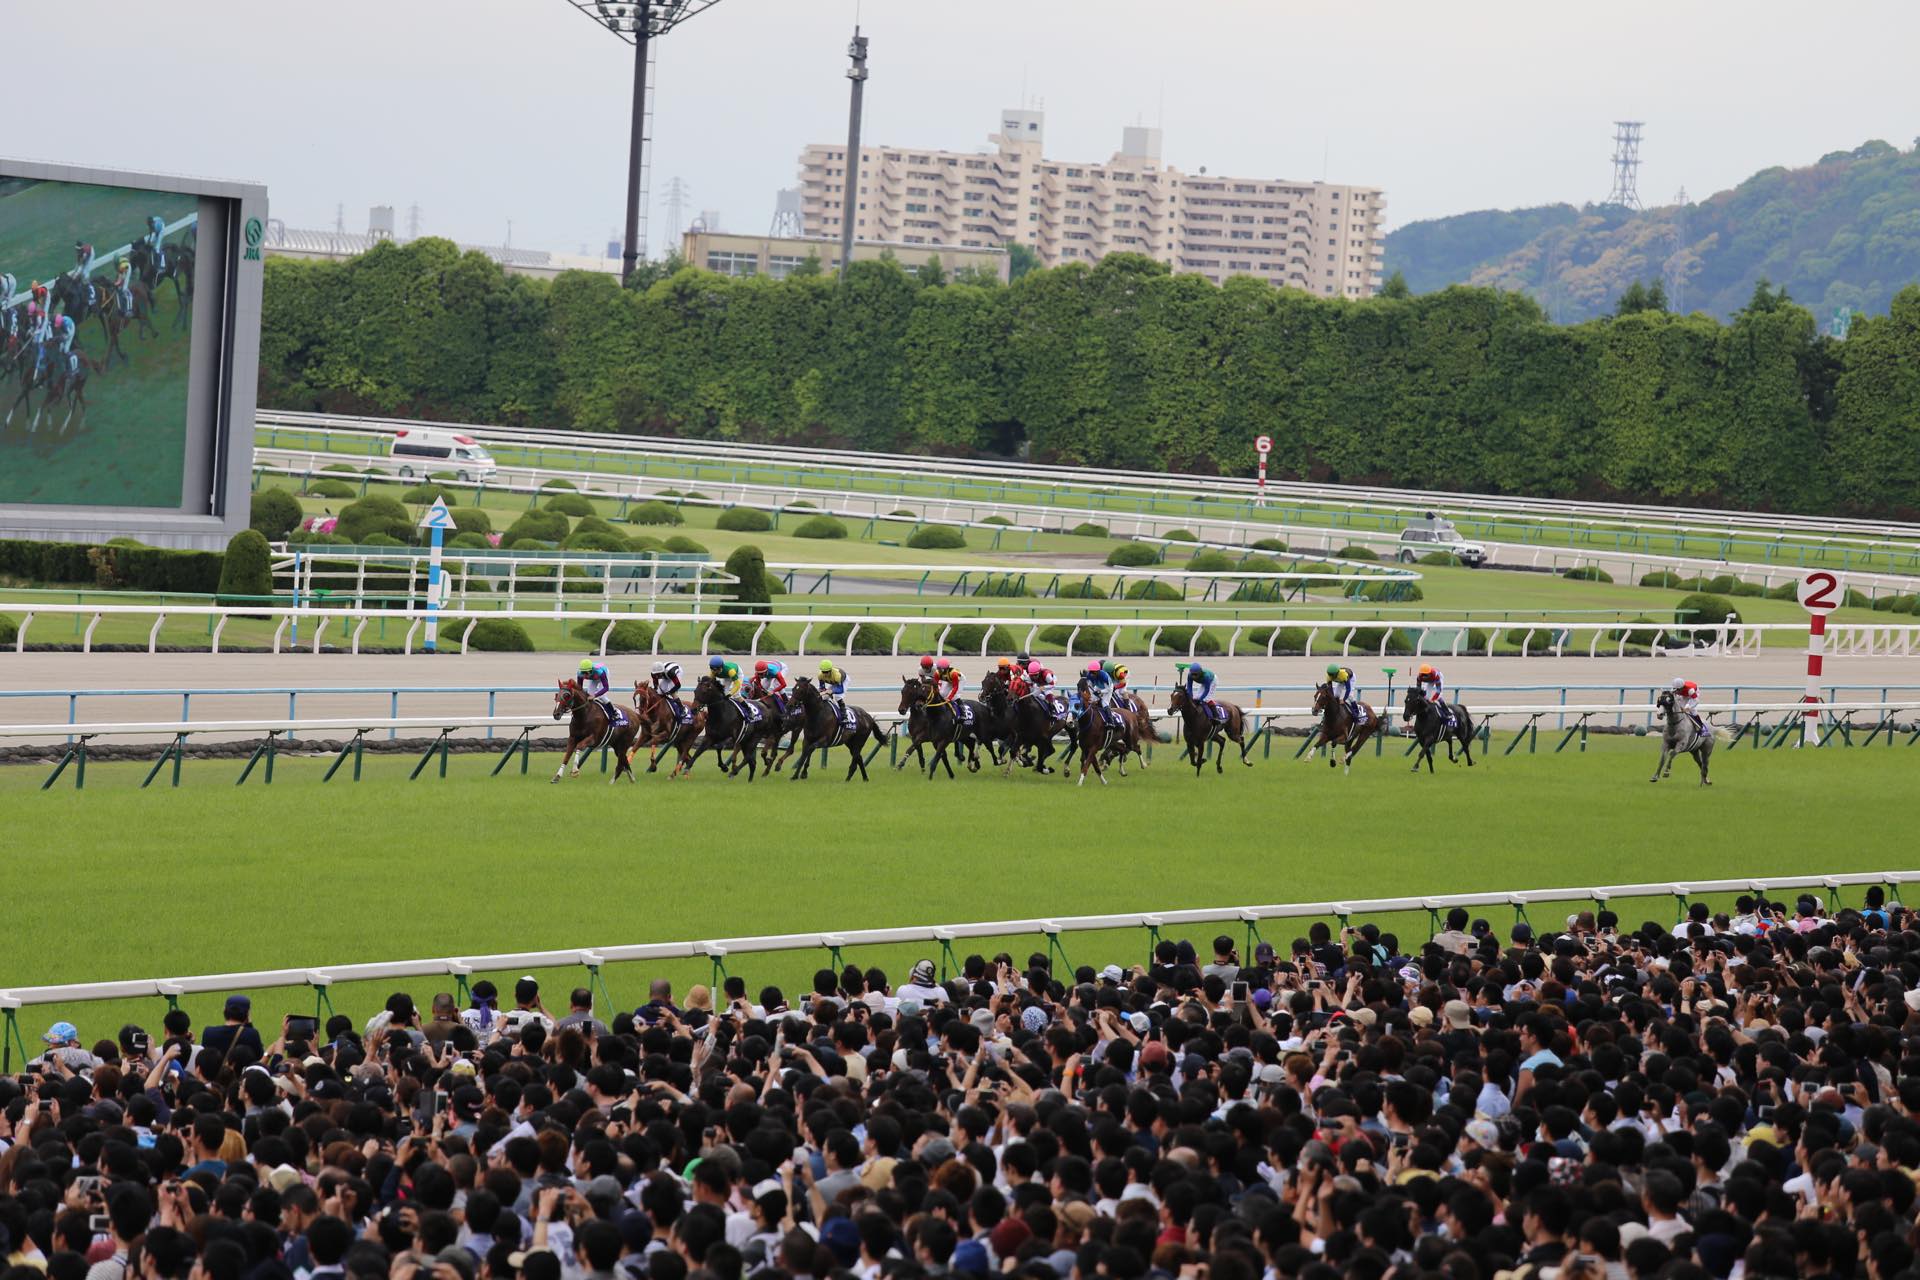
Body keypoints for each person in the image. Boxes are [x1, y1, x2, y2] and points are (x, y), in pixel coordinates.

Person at [199, 995, 264, 1059]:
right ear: (247, 1014)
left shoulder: (209, 1032)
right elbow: (259, 1055)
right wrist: (249, 1024)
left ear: (224, 1010)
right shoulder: (251, 1034)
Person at [576, 656, 618, 724]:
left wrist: (595, 695)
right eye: (583, 673)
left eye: (586, 673)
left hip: (602, 674)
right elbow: (579, 688)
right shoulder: (580, 674)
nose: (584, 676)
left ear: (591, 670)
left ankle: (614, 712)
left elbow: (606, 688)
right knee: (589, 694)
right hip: (594, 677)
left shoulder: (599, 672)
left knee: (602, 696)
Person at [1416, 663, 1456, 728]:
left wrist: (1433, 699)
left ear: (1429, 673)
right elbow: (1418, 689)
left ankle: (1448, 713)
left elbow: (1438, 690)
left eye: (1426, 675)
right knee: (1426, 697)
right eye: (1422, 674)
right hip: (1430, 681)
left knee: (1439, 697)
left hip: (1438, 678)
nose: (1424, 676)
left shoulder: (1436, 675)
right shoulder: (1419, 677)